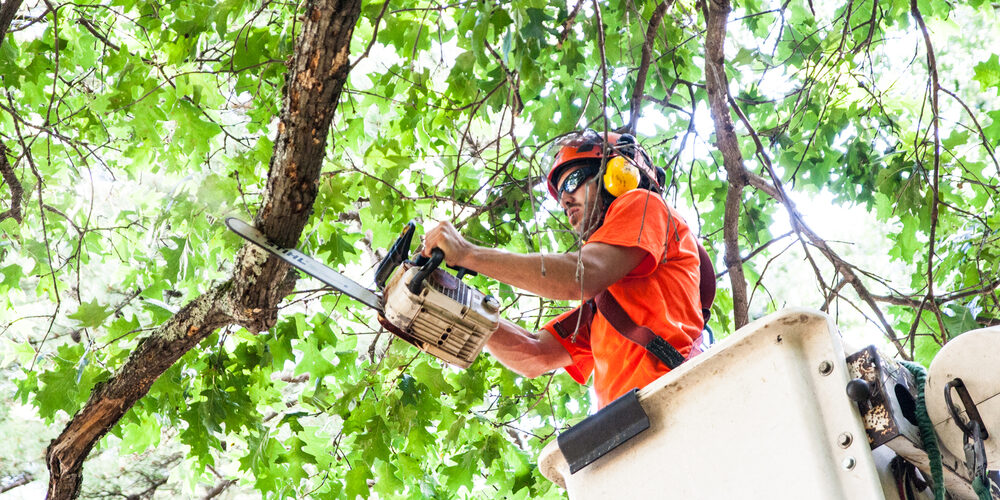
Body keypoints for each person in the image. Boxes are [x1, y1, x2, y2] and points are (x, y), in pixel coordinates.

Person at [423, 129, 705, 409]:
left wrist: (468, 254)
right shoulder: (609, 299)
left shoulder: (645, 205)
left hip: (673, 400)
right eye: (559, 195)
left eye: (572, 181)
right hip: (629, 424)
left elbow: (580, 275)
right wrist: (457, 303)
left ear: (618, 173)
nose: (564, 200)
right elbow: (535, 354)